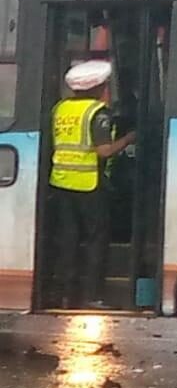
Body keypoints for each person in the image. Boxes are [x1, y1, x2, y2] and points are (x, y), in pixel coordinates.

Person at [49, 60, 136, 309]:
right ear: (99, 87)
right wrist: (130, 138)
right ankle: (92, 295)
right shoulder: (98, 113)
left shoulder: (60, 109)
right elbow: (105, 151)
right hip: (89, 185)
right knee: (97, 239)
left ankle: (66, 294)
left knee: (69, 238)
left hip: (62, 182)